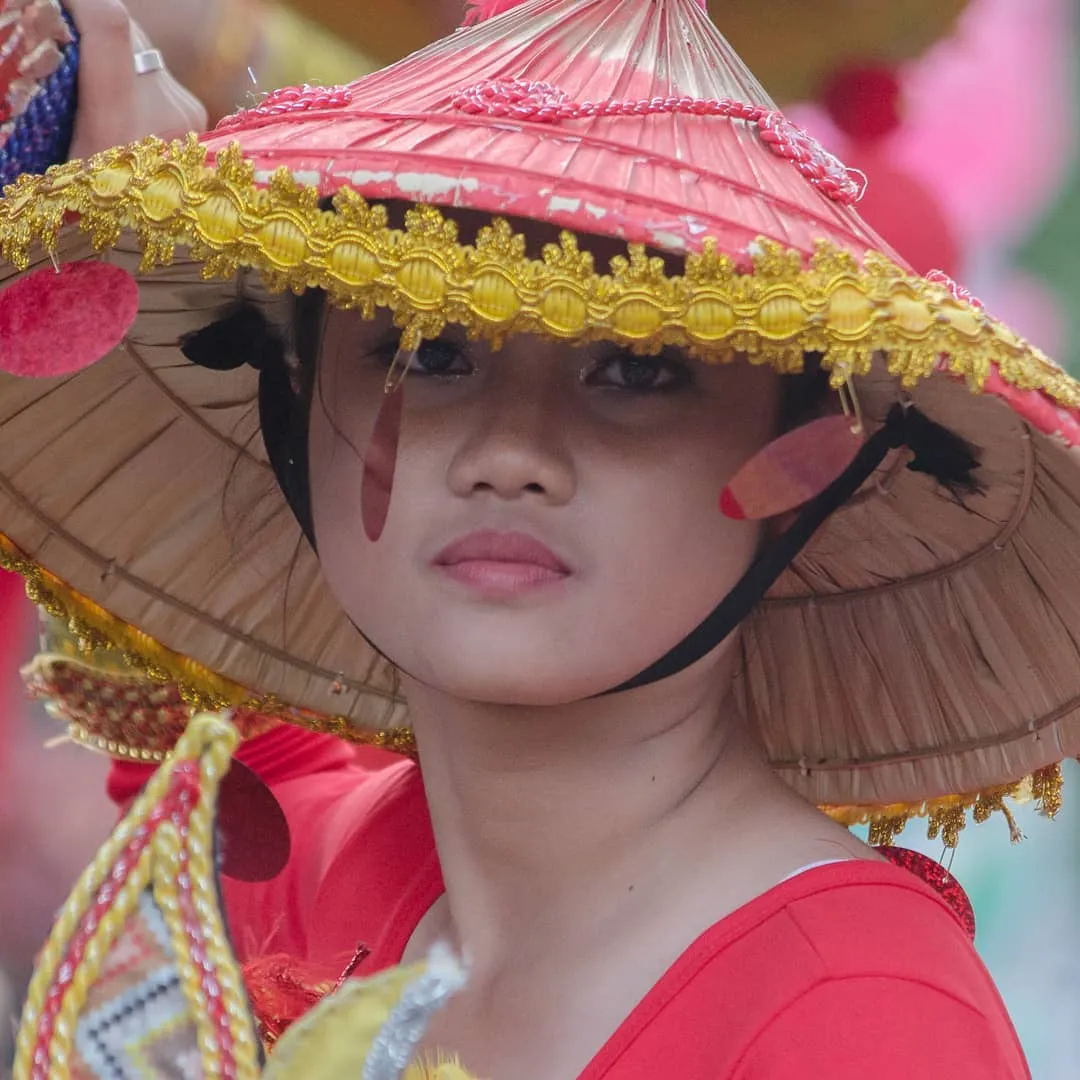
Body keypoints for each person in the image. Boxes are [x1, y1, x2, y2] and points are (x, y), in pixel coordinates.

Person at [2, 0, 1077, 1076]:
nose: (511, 452)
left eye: (640, 371)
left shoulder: (861, 1017)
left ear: (812, 464)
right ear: (292, 403)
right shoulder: (316, 871)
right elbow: (213, 770)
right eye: (427, 351)